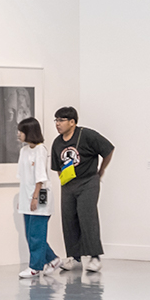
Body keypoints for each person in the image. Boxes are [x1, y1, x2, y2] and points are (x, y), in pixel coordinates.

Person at [50, 108, 116, 271]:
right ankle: (73, 256)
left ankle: (95, 257)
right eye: (56, 120)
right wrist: (63, 179)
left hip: (88, 182)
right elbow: (57, 166)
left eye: (61, 120)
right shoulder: (57, 142)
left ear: (72, 122)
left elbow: (108, 149)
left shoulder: (87, 135)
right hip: (68, 185)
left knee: (87, 216)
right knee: (68, 218)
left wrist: (101, 170)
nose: (58, 124)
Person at [14, 118, 61, 278]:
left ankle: (35, 267)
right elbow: (23, 177)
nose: (18, 134)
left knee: (37, 232)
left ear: (30, 132)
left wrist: (35, 198)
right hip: (27, 194)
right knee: (30, 233)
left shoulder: (41, 150)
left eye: (21, 131)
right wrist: (24, 198)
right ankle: (53, 260)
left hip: (41, 194)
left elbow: (40, 177)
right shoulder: (24, 151)